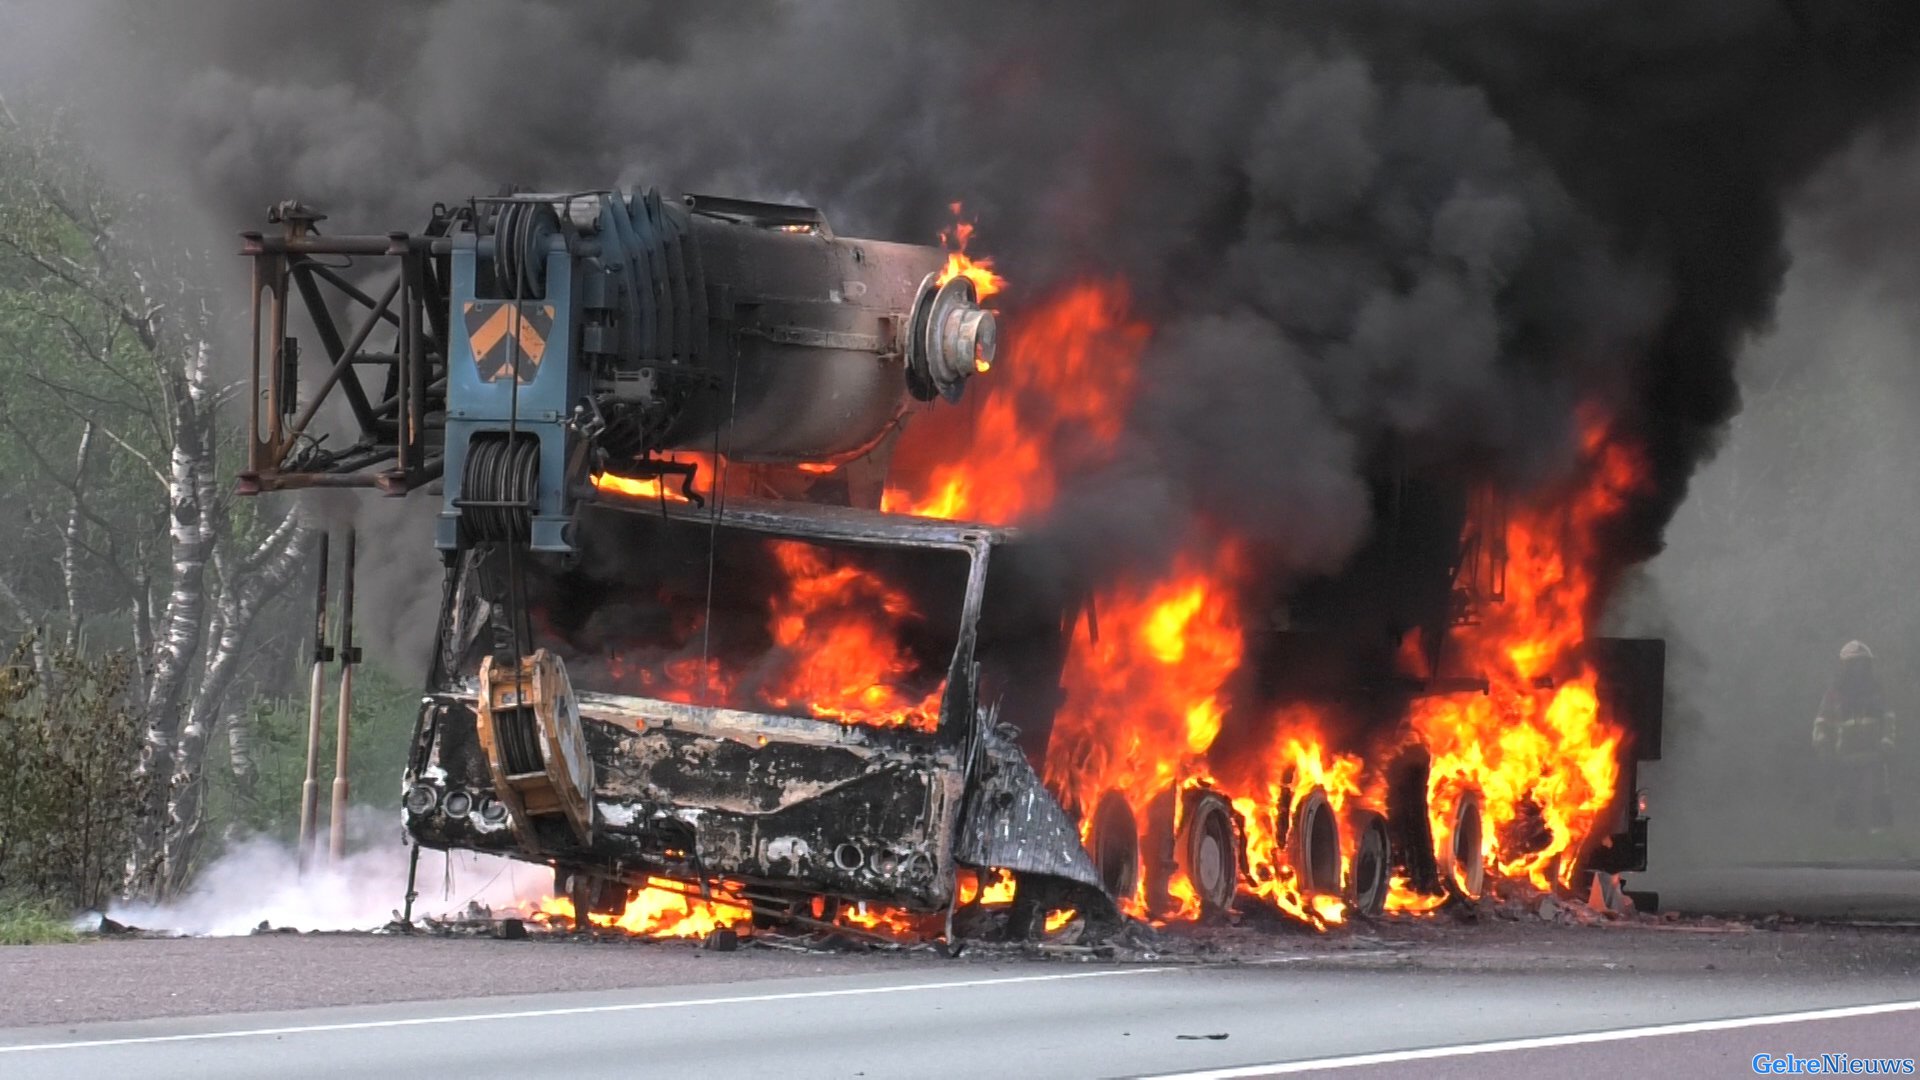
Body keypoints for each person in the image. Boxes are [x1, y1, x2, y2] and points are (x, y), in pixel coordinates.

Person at [1811, 640, 1897, 833]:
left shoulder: (1877, 691)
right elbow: (1821, 722)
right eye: (1854, 663)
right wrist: (1823, 746)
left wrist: (1887, 742)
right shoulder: (1834, 694)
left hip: (1874, 752)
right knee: (1844, 794)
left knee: (1879, 791)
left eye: (1862, 663)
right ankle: (1846, 833)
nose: (1858, 668)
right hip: (1844, 755)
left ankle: (1879, 832)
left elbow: (1889, 718)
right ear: (1845, 666)